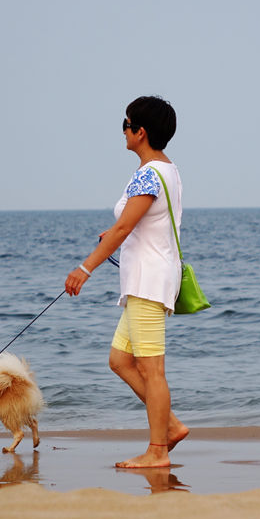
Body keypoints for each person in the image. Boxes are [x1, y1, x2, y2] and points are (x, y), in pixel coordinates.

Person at [64, 95, 190, 468]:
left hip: (148, 282)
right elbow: (140, 225)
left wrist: (83, 269)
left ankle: (158, 451)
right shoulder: (167, 169)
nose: (123, 130)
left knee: (153, 370)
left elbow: (124, 227)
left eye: (127, 123)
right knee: (120, 360)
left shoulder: (150, 173)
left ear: (141, 132)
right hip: (144, 280)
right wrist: (119, 234)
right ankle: (169, 426)